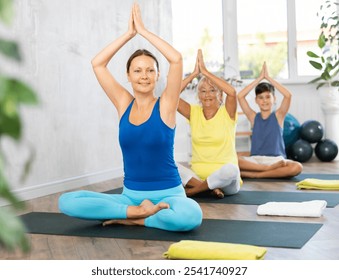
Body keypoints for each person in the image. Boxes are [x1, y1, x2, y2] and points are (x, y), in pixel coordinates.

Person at [58, 3, 202, 232]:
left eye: (150, 70)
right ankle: (136, 212)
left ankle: (137, 219)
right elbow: (98, 64)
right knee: (66, 202)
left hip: (170, 195)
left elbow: (176, 60)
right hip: (131, 197)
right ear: (128, 75)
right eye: (137, 70)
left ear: (157, 75)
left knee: (191, 215)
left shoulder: (166, 105)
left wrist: (143, 31)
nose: (144, 76)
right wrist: (128, 35)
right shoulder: (123, 103)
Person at [176, 50, 241, 199]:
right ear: (198, 94)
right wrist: (193, 74)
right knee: (166, 164)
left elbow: (232, 93)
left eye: (213, 90)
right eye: (203, 91)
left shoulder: (228, 113)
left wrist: (205, 72)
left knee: (231, 170)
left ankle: (193, 191)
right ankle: (207, 188)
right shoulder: (193, 112)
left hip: (227, 182)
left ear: (220, 94)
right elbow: (171, 95)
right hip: (196, 176)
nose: (207, 95)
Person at [237, 62, 303, 178]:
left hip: (276, 161)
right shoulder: (253, 117)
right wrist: (259, 79)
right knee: (234, 159)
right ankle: (265, 171)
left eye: (268, 97)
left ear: (274, 99)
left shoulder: (278, 116)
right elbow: (240, 96)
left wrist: (268, 78)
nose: (264, 101)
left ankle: (256, 175)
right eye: (261, 97)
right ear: (256, 100)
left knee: (297, 167)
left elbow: (288, 95)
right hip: (256, 161)